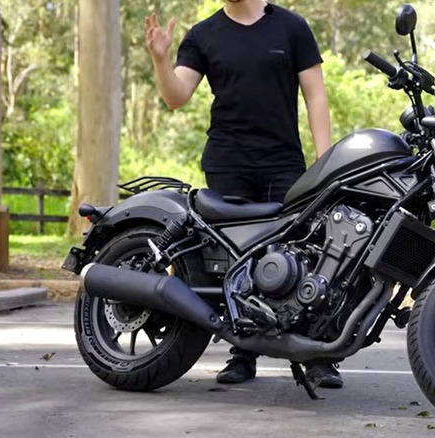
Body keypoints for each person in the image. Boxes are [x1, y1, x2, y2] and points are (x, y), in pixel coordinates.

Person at [145, 0, 342, 388]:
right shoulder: (203, 35)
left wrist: (325, 166)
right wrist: (160, 60)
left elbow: (315, 96)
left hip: (284, 163)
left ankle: (318, 355)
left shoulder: (291, 27)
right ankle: (242, 353)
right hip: (228, 162)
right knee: (236, 260)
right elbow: (176, 96)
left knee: (305, 255)